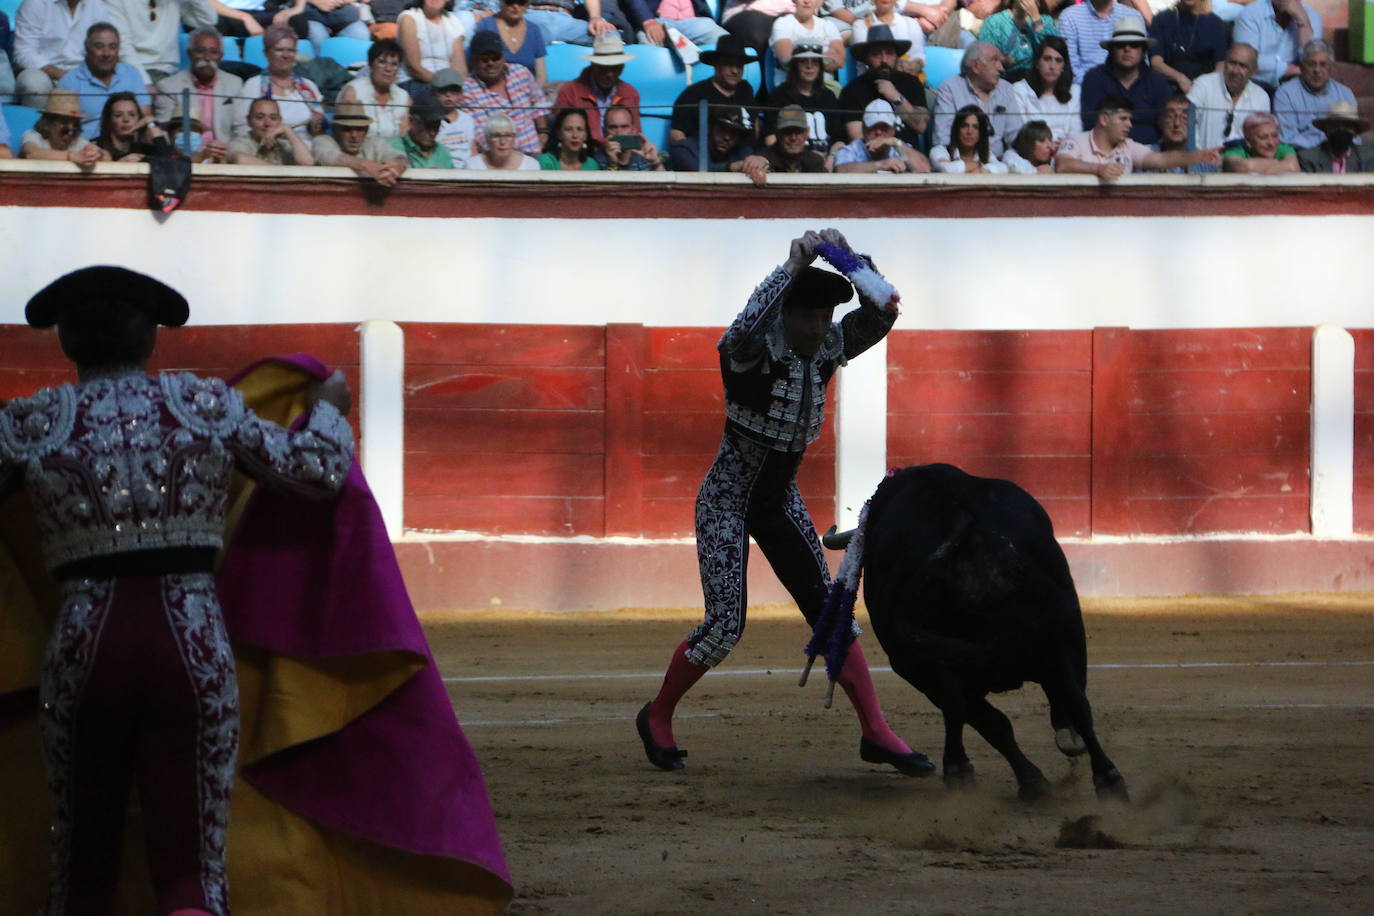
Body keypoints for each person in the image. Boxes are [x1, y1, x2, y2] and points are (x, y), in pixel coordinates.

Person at [0, 265, 353, 914]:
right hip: (189, 641)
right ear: (152, 339)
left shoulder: (29, 424)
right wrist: (328, 414)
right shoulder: (205, 407)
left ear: (65, 343)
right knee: (191, 869)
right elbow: (316, 472)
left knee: (80, 868)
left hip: (84, 645)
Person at [635, 228, 934, 779]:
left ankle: (876, 730)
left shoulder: (828, 348)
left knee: (831, 613)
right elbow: (744, 326)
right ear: (785, 316)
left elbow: (886, 309)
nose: (820, 327)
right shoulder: (750, 351)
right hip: (726, 502)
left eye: (826, 318)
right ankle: (657, 715)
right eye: (808, 317)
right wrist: (791, 267)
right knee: (725, 627)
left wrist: (851, 261)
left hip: (778, 502)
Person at [1056, 92, 1219, 182]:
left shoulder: (1128, 146)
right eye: (1123, 119)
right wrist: (1099, 169)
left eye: (1130, 119)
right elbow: (1062, 165)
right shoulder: (1075, 141)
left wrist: (1197, 156)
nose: (1129, 125)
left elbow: (1161, 160)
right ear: (1104, 119)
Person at [1078, 18, 1171, 145]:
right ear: (1112, 49)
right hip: (1104, 151)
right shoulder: (1094, 79)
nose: (1127, 49)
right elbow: (1090, 123)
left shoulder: (1157, 82)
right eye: (1121, 44)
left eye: (1134, 44)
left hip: (1150, 152)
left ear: (1143, 51)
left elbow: (1167, 123)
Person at [152, 27, 242, 154]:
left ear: (221, 56)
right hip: (186, 158)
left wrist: (227, 151)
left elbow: (242, 129)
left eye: (213, 52)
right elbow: (164, 132)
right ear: (190, 54)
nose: (207, 58)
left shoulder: (234, 84)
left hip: (224, 156)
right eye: (200, 51)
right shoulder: (168, 86)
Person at [837, 25, 928, 147]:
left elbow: (921, 126)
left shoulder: (911, 83)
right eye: (876, 54)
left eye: (889, 53)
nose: (884, 59)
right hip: (870, 160)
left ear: (897, 56)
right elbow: (857, 139)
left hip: (907, 157)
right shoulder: (852, 90)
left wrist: (896, 97)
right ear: (866, 59)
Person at [56, 22, 150, 139]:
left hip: (128, 143)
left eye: (112, 47)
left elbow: (145, 115)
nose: (106, 53)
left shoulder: (131, 73)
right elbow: (61, 131)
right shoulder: (69, 82)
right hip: (89, 148)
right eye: (99, 46)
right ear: (87, 48)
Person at [462, 29, 549, 155]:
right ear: (474, 60)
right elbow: (481, 136)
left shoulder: (521, 72)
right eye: (484, 59)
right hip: (499, 160)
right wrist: (516, 157)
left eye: (495, 57)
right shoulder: (468, 89)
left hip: (536, 152)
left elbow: (539, 103)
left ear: (503, 57)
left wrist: (543, 131)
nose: (490, 63)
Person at [233, 25, 326, 138]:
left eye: (290, 50)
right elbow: (242, 129)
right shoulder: (253, 86)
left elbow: (319, 132)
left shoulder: (309, 86)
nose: (286, 55)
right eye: (279, 50)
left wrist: (316, 126)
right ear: (266, 53)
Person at [12, 0, 110, 107]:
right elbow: (24, 51)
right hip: (43, 71)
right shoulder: (35, 4)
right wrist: (63, 75)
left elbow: (101, 49)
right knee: (32, 83)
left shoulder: (97, 6)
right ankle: (37, 123)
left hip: (83, 73)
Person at [933, 41, 1023, 158]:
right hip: (961, 162)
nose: (1001, 68)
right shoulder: (950, 89)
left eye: (1000, 61)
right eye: (994, 60)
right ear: (975, 66)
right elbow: (942, 138)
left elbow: (1016, 136)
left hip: (998, 165)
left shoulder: (1006, 89)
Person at [553, 33, 641, 146]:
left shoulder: (631, 93)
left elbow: (635, 136)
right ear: (593, 65)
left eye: (615, 68)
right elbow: (560, 136)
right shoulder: (569, 92)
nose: (609, 74)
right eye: (604, 68)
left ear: (622, 67)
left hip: (620, 154)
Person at [668, 34, 757, 146]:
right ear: (716, 64)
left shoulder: (745, 90)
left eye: (739, 65)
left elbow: (754, 126)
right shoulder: (694, 94)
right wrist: (692, 157)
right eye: (729, 64)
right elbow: (676, 134)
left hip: (743, 158)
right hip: (704, 158)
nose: (735, 71)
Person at [757, 42, 842, 153]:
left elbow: (839, 139)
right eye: (803, 62)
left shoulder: (828, 97)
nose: (809, 66)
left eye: (815, 62)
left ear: (820, 68)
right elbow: (770, 137)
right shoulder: (779, 96)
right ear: (795, 66)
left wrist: (830, 158)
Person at [103, 0, 216, 83]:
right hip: (131, 74)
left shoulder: (174, 2)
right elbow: (123, 47)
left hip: (169, 73)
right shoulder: (116, 2)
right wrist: (145, 82)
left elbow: (208, 20)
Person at [1274, 40, 1355, 151]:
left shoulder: (1345, 93)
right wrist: (1323, 148)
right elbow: (1288, 138)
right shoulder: (1285, 94)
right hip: (1303, 153)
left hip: (1341, 151)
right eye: (1312, 64)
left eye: (1323, 64)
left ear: (1330, 68)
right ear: (1302, 68)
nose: (1317, 70)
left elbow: (1353, 133)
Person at [1186, 43, 1266, 149]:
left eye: (1243, 66)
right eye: (1232, 63)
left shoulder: (1261, 97)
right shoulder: (1204, 84)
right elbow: (1187, 123)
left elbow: (1260, 138)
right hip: (1202, 160)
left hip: (1242, 163)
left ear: (1253, 72)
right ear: (1225, 63)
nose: (1235, 71)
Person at [313, 98, 411, 183]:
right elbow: (329, 156)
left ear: (366, 130)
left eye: (359, 129)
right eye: (347, 129)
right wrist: (367, 166)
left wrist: (398, 164)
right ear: (336, 130)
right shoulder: (323, 140)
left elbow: (399, 156)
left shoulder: (374, 143)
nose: (354, 135)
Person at [1233, 0, 1319, 92]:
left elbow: (1314, 61)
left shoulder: (1311, 17)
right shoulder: (1250, 14)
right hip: (1255, 83)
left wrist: (1303, 22)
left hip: (1296, 85)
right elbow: (1247, 60)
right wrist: (1292, 69)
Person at [668, 104, 769, 181]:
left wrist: (761, 162)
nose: (727, 137)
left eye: (733, 132)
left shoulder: (740, 150)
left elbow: (762, 165)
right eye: (722, 130)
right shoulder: (684, 149)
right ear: (709, 128)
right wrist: (731, 167)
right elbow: (699, 172)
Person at [337, 38, 413, 138]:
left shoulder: (404, 97)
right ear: (370, 64)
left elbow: (405, 134)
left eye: (394, 64)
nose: (388, 69)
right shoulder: (353, 92)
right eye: (382, 62)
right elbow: (346, 134)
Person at [1056, 0, 1144, 84]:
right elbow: (1070, 67)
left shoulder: (1133, 16)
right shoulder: (1069, 17)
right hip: (1085, 88)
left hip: (1128, 88)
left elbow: (1142, 63)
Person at [1147, 0, 1227, 92]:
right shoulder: (1162, 19)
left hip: (1204, 89)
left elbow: (1221, 66)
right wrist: (1179, 78)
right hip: (1169, 87)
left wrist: (1203, 85)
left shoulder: (1215, 23)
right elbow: (1156, 63)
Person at [1010, 34, 1078, 140]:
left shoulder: (1075, 91)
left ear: (1064, 66)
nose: (1052, 66)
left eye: (1058, 60)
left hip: (1066, 151)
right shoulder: (1020, 90)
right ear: (1037, 63)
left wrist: (1065, 145)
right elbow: (1020, 133)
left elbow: (1076, 131)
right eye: (1047, 59)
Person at [833, 97, 930, 171]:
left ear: (893, 129)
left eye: (884, 127)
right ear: (863, 128)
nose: (878, 132)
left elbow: (925, 170)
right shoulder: (850, 150)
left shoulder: (900, 147)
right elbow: (840, 170)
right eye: (873, 126)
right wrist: (881, 165)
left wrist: (897, 143)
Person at [19, 87, 104, 168]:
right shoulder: (33, 135)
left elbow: (105, 156)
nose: (70, 133)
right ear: (48, 124)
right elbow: (31, 154)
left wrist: (97, 153)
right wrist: (71, 156)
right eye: (65, 125)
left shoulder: (76, 141)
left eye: (75, 127)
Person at [977, 0, 1059, 83]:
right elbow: (984, 57)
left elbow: (1056, 50)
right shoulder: (994, 22)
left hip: (1038, 82)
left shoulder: (1046, 21)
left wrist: (1036, 19)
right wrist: (1001, 60)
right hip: (1006, 81)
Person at [474, 0, 549, 88]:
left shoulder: (534, 30)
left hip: (528, 91)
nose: (515, 6)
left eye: (521, 2)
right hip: (493, 91)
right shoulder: (486, 26)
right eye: (510, 1)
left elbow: (541, 76)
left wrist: (534, 94)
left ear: (527, 5)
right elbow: (478, 67)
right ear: (501, 2)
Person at [769, 0, 845, 85]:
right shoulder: (782, 23)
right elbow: (786, 60)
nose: (807, 1)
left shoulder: (829, 26)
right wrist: (824, 57)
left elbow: (839, 61)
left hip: (825, 87)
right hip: (792, 87)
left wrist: (800, 56)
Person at [399, 0, 469, 91]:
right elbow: (413, 68)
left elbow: (460, 67)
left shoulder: (454, 22)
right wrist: (443, 84)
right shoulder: (409, 18)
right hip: (414, 82)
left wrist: (455, 85)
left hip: (448, 86)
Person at [228, 96, 317, 163]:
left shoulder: (283, 145)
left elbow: (307, 163)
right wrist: (284, 174)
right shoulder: (241, 142)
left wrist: (288, 131)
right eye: (260, 117)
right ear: (249, 121)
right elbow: (240, 159)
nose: (267, 123)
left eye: (273, 118)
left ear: (280, 121)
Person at [849, 0, 925, 77]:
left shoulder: (911, 23)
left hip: (907, 79)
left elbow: (918, 54)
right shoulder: (860, 25)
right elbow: (865, 58)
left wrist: (914, 66)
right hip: (871, 82)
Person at [1296, 101, 1374, 173]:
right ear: (1326, 130)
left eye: (1347, 125)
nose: (1341, 129)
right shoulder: (1309, 158)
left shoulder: (1367, 157)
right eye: (1335, 125)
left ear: (1355, 132)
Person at [95, 90, 173, 160]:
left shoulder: (143, 150)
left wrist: (151, 122)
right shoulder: (96, 147)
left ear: (139, 119)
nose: (126, 119)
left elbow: (166, 160)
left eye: (132, 115)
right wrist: (121, 164)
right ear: (109, 119)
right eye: (118, 115)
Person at [931, 103, 1008, 172]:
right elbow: (946, 168)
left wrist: (981, 169)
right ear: (957, 129)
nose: (969, 132)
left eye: (975, 127)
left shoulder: (987, 154)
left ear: (981, 133)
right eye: (964, 126)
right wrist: (978, 166)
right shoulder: (939, 151)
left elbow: (1003, 168)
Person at [388, 95, 458, 166]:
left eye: (436, 127)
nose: (432, 133)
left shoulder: (442, 152)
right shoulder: (392, 147)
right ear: (411, 121)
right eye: (428, 126)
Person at [625, 0, 727, 48]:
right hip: (656, 21)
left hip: (694, 23)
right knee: (648, 44)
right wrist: (648, 21)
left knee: (725, 41)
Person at [1222, 111, 1299, 174]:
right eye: (1263, 137)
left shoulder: (1284, 150)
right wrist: (1277, 163)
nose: (1271, 143)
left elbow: (1293, 167)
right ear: (1248, 141)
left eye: (1275, 136)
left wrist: (1259, 168)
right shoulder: (1233, 153)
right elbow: (1246, 168)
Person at [595, 102, 666, 169]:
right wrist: (612, 164)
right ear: (604, 132)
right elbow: (610, 182)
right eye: (613, 127)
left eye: (624, 127)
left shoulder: (642, 159)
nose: (619, 132)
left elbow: (664, 181)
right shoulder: (596, 161)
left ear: (633, 130)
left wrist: (655, 162)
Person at [759, 104, 830, 172]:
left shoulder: (815, 162)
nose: (793, 138)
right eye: (787, 132)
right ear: (777, 134)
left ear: (807, 133)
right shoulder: (762, 161)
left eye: (798, 131)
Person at [433, 66, 478, 166]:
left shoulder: (467, 119)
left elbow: (472, 150)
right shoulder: (431, 120)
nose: (448, 95)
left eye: (454, 90)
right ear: (434, 93)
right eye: (443, 90)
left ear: (461, 93)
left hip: (466, 170)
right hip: (442, 168)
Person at [466, 111, 541, 167]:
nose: (502, 142)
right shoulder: (472, 165)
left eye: (508, 135)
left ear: (514, 138)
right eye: (496, 136)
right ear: (487, 139)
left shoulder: (531, 165)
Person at [537, 106, 601, 169]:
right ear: (559, 134)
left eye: (580, 129)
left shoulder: (591, 165)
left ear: (586, 135)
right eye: (568, 129)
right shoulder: (545, 162)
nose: (575, 135)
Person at [211, 0, 311, 40]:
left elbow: (298, 9)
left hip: (259, 13)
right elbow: (205, 3)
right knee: (215, 23)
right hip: (226, 13)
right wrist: (245, 17)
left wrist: (297, 8)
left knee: (298, 20)